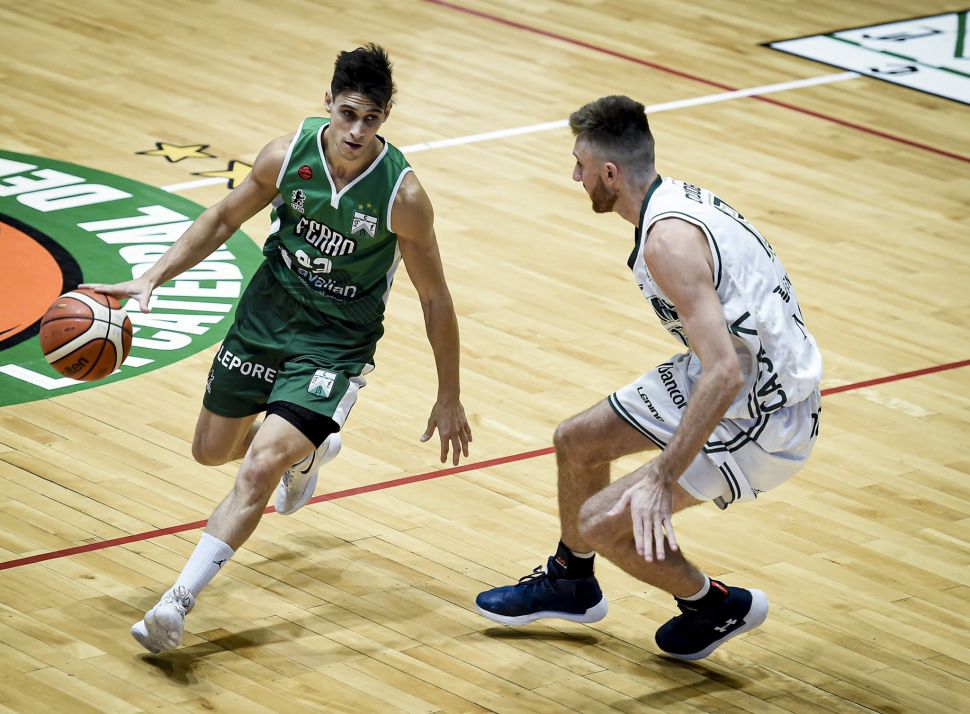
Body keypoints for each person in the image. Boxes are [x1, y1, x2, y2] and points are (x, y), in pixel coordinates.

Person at [84, 44, 473, 654]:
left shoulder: (402, 196)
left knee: (259, 467)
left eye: (371, 119)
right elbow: (223, 218)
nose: (357, 131)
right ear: (328, 102)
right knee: (211, 451)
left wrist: (449, 395)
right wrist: (152, 276)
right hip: (264, 320)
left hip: (334, 345)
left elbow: (435, 298)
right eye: (348, 114)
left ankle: (175, 603)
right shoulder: (286, 155)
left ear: (386, 116)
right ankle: (309, 451)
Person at [475, 95, 822, 661]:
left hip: (765, 411)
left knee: (601, 523)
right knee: (577, 442)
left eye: (581, 165)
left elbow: (725, 373)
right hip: (731, 369)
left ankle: (715, 605)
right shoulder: (671, 201)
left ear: (610, 174)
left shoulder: (668, 241)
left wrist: (663, 475)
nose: (576, 176)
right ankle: (570, 582)